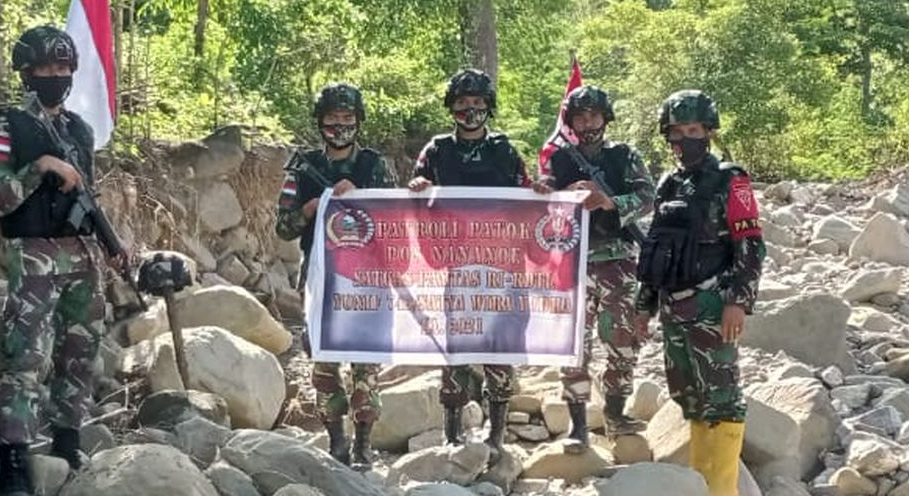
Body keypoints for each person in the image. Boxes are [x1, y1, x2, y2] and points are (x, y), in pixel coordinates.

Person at [0, 25, 117, 496]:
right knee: (26, 355)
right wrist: (39, 167)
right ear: (27, 72)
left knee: (81, 352)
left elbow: (89, 195)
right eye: (46, 68)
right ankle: (14, 462)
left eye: (63, 68)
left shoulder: (79, 130)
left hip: (81, 252)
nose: (55, 76)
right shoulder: (10, 128)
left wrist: (111, 248)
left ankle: (67, 441)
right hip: (34, 252)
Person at [635, 89, 765, 496]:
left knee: (722, 394)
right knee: (688, 393)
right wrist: (644, 305)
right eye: (677, 131)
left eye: (693, 130)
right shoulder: (668, 183)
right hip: (674, 304)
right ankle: (700, 486)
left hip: (713, 301)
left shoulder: (731, 179)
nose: (685, 139)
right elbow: (657, 247)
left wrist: (737, 301)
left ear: (708, 131)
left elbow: (751, 244)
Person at [409, 68, 532, 457]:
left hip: (502, 262)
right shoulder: (436, 151)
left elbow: (528, 198)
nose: (470, 110)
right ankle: (452, 433)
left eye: (477, 103)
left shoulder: (505, 150)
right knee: (457, 344)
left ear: (488, 107)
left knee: (500, 345)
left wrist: (543, 193)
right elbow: (413, 199)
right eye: (462, 104)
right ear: (452, 108)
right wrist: (418, 190)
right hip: (457, 263)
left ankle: (496, 435)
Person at [276, 82, 395, 469]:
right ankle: (336, 441)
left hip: (367, 278)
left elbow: (396, 219)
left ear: (358, 120)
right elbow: (283, 228)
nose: (340, 125)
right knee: (324, 364)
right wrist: (310, 209)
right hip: (320, 276)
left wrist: (360, 194)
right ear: (320, 122)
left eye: (347, 117)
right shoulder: (302, 167)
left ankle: (363, 445)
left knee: (366, 363)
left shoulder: (375, 165)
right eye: (332, 118)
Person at [534, 85, 653, 451]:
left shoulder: (624, 156)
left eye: (594, 116)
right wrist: (543, 192)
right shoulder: (559, 160)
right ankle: (578, 426)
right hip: (572, 261)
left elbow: (648, 197)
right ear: (570, 121)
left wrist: (608, 201)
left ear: (605, 118)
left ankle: (616, 414)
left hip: (618, 259)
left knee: (623, 340)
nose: (588, 123)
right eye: (581, 117)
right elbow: (542, 199)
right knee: (572, 345)